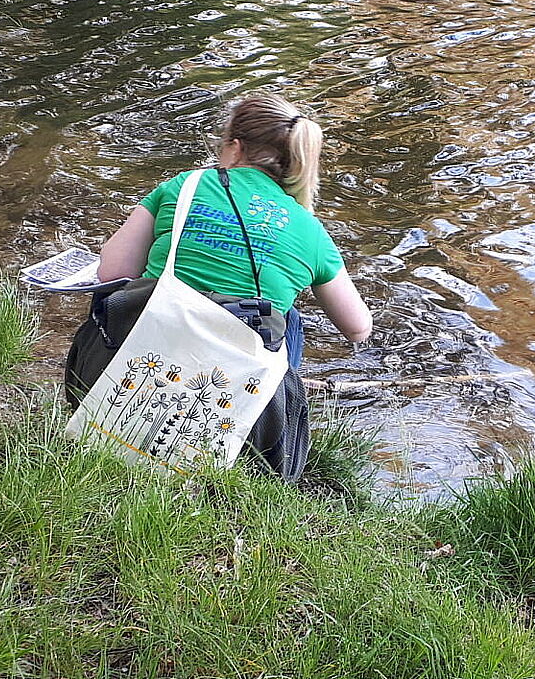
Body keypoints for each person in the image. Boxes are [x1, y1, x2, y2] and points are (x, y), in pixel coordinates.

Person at [63, 92, 373, 479]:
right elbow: (358, 327)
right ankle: (237, 435)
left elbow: (112, 272)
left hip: (139, 355)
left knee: (142, 291)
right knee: (286, 318)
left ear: (235, 147)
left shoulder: (186, 185)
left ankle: (115, 409)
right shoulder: (309, 228)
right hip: (235, 380)